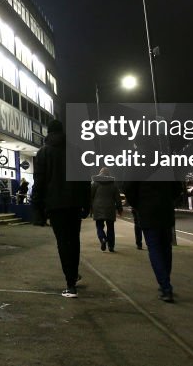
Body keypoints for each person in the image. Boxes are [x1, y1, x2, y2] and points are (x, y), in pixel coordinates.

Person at [31, 119, 90, 298]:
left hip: (55, 206)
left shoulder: (43, 153)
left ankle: (70, 284)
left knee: (63, 243)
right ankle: (73, 275)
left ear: (48, 132)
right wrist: (86, 204)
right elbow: (84, 181)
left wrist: (38, 209)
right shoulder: (76, 151)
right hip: (74, 204)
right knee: (74, 241)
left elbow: (39, 183)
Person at [124, 179, 183, 302]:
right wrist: (168, 199)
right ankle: (165, 282)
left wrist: (138, 204)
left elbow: (129, 187)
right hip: (165, 208)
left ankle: (165, 286)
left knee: (154, 249)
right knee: (166, 247)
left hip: (147, 209)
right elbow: (177, 186)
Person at [90, 167, 122, 252]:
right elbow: (118, 198)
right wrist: (120, 209)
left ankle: (103, 239)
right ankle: (111, 246)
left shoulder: (95, 183)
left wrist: (90, 207)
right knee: (110, 228)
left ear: (100, 173)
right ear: (108, 174)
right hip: (110, 208)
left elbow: (90, 196)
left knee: (99, 226)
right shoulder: (113, 184)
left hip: (98, 208)